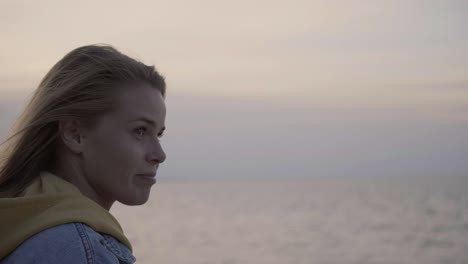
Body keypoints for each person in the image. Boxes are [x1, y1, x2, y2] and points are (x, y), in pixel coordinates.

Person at [0, 44, 167, 263]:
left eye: (159, 134)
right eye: (140, 131)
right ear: (74, 133)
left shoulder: (21, 222)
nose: (159, 154)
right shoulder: (78, 250)